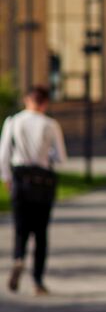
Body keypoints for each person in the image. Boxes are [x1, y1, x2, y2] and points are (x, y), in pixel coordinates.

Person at [0, 85, 67, 295]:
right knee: (40, 232)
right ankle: (38, 281)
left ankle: (19, 258)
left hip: (20, 178)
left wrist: (7, 178)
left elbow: (3, 154)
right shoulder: (50, 124)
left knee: (20, 228)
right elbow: (61, 157)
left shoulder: (13, 122)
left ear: (26, 100)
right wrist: (47, 156)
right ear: (45, 103)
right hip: (43, 181)